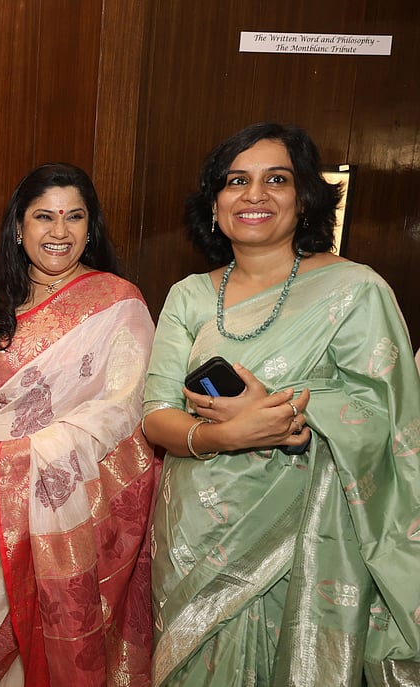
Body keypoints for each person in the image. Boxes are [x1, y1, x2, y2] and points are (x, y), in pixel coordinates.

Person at [142, 122, 420, 684]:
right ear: (215, 203)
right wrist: (225, 435)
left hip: (305, 536)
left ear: (306, 200)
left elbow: (391, 421)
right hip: (195, 532)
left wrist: (295, 413)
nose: (254, 194)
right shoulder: (190, 294)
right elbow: (156, 414)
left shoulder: (356, 290)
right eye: (235, 181)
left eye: (277, 179)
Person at [0, 163, 158, 686]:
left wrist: (29, 460)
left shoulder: (119, 302)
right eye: (44, 217)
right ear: (19, 227)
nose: (59, 232)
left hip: (83, 500)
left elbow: (126, 408)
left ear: (90, 227)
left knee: (78, 624)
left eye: (74, 217)